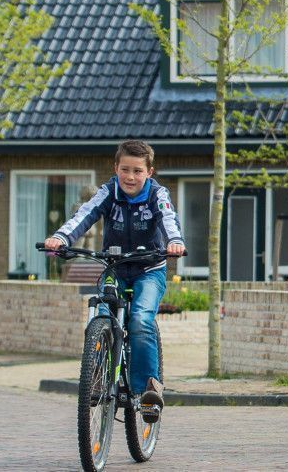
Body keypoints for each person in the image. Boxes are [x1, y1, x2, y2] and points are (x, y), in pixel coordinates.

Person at [43, 140, 185, 423]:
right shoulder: (108, 192)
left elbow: (168, 218)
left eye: (137, 171)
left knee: (141, 319)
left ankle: (148, 388)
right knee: (100, 314)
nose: (130, 177)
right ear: (115, 168)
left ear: (149, 172)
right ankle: (97, 376)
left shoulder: (158, 194)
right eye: (125, 170)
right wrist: (61, 238)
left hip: (149, 269)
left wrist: (175, 242)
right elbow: (84, 215)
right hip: (115, 267)